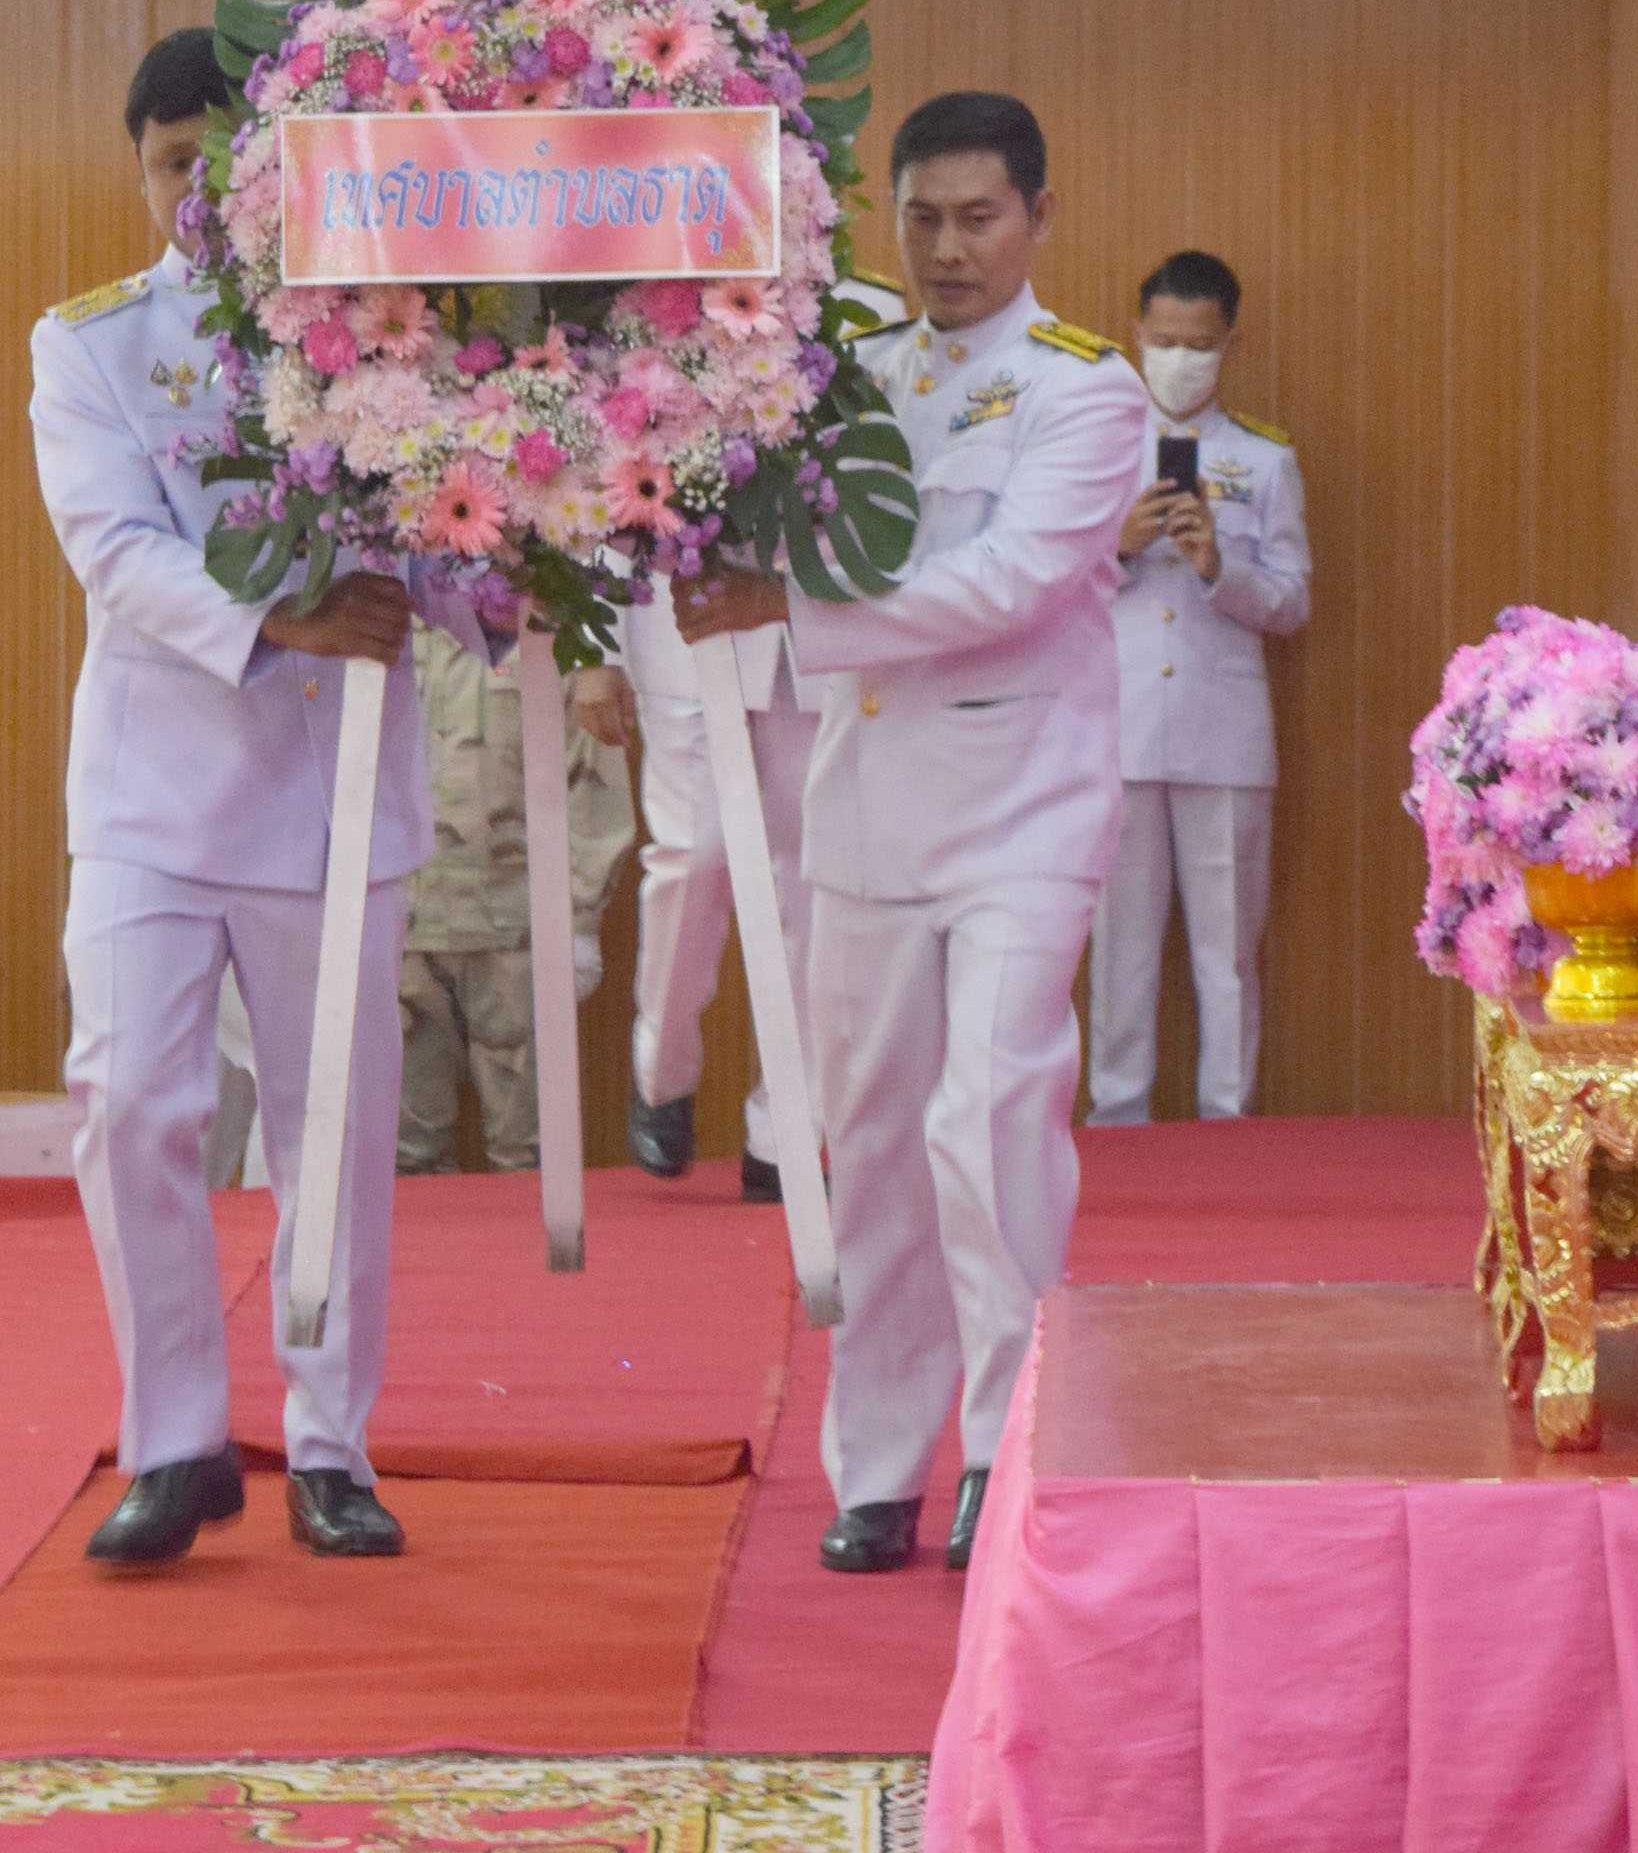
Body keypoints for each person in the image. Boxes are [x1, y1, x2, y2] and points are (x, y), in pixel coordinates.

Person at [678, 89, 1149, 1577]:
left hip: (1023, 808)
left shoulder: (1087, 391)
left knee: (990, 1117)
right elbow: (742, 520)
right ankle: (878, 1463)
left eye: (979, 218)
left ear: (1039, 218)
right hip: (869, 810)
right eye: (923, 218)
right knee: (873, 1145)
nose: (948, 250)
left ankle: (1005, 1444)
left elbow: (1009, 584)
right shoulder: (847, 379)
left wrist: (791, 611)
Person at [34, 23, 433, 1567]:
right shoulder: (90, 343)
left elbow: (454, 527)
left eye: (221, 160)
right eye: (169, 165)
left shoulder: (389, 330)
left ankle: (330, 1443)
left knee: (336, 1131)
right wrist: (282, 620)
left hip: (331, 784)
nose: (195, 194)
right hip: (151, 790)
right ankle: (175, 1437)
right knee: (130, 1104)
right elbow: (117, 552)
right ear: (138, 172)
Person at [1089, 250, 1312, 1125]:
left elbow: (1293, 603)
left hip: (1224, 736)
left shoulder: (1264, 460)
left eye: (1199, 345)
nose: (1180, 360)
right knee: (1120, 948)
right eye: (1165, 341)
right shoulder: (1098, 452)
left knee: (1228, 952)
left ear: (1230, 344)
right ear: (1136, 335)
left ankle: (1230, 1119)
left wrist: (1219, 565)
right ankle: (1116, 1117)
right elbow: (1044, 589)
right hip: (1118, 729)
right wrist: (1117, 546)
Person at [394, 628, 638, 1174]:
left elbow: (594, 791)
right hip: (406, 932)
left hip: (519, 937)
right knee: (404, 1154)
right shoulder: (392, 631)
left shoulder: (553, 643)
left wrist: (579, 924)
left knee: (530, 1156)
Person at [618, 581, 822, 1200]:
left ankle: (785, 1136)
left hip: (811, 626)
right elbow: (594, 528)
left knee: (813, 884)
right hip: (682, 625)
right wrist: (597, 653)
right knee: (695, 860)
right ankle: (662, 1071)